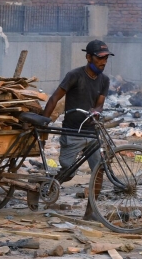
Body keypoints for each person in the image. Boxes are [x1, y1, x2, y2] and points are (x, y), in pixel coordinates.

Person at [40, 39, 113, 221]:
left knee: (99, 169)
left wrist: (96, 111)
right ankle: (47, 188)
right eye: (99, 58)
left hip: (91, 131)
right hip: (72, 131)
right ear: (89, 57)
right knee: (68, 171)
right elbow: (55, 98)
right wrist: (43, 122)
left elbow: (100, 104)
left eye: (106, 59)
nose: (103, 62)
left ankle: (91, 211)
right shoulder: (74, 75)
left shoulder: (104, 80)